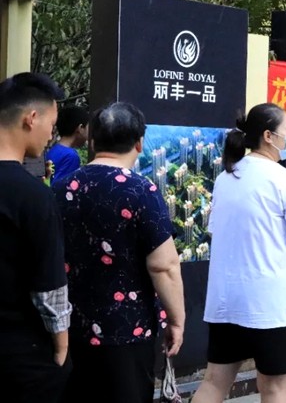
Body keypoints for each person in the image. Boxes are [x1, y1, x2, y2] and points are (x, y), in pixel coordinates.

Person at [54, 102, 185, 403]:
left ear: (92, 142)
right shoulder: (141, 191)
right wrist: (176, 320)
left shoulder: (60, 189)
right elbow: (164, 266)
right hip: (128, 329)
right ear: (139, 143)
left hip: (71, 329)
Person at [193, 103, 286, 403]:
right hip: (270, 305)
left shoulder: (226, 178)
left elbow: (216, 231)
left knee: (214, 383)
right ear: (268, 136)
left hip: (226, 302)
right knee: (275, 388)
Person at [0, 72, 71, 402]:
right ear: (31, 118)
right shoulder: (33, 196)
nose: (51, 135)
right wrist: (61, 345)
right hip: (20, 354)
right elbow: (49, 286)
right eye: (51, 124)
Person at [46, 104, 89, 183]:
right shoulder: (71, 156)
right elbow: (64, 186)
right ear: (80, 128)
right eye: (87, 128)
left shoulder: (53, 150)